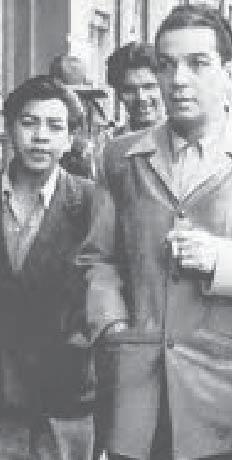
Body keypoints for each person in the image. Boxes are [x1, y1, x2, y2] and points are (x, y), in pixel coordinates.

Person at [79, 5, 232, 460]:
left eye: (198, 63)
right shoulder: (120, 156)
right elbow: (98, 258)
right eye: (166, 65)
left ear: (228, 74)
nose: (178, 80)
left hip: (226, 395)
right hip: (137, 390)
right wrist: (111, 321)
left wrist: (221, 259)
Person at [0, 75, 100, 459]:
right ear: (9, 129)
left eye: (55, 126)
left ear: (71, 138)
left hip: (66, 394)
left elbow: (110, 284)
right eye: (29, 123)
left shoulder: (90, 202)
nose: (41, 136)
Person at [107, 42, 164, 133]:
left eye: (149, 87)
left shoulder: (185, 139)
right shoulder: (110, 141)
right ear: (118, 94)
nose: (141, 97)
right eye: (130, 90)